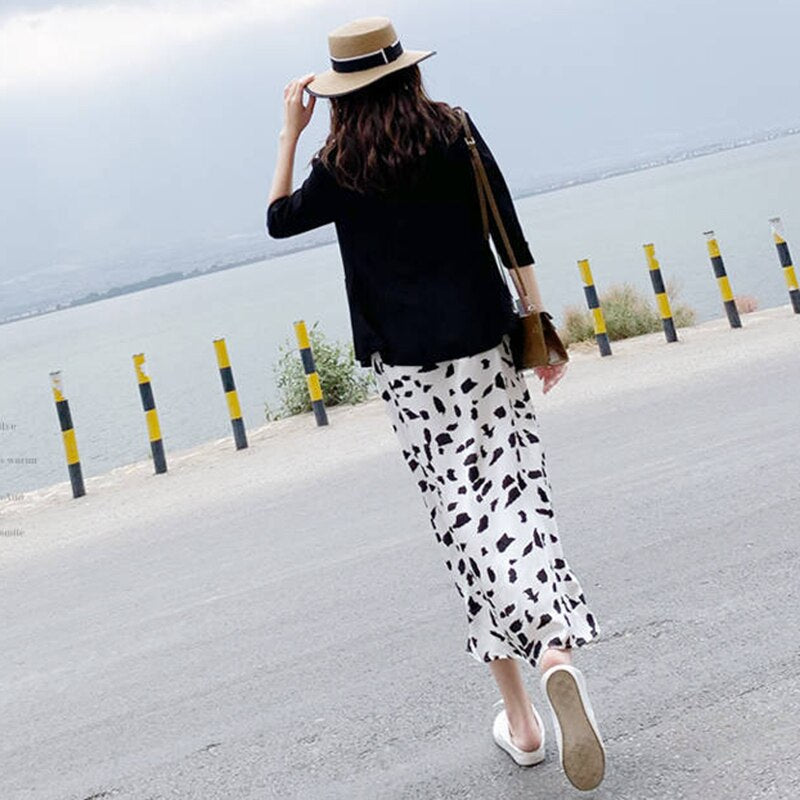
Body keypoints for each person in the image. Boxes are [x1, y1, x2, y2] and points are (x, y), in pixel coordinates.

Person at [266, 16, 605, 792]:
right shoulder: (453, 129)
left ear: (341, 93)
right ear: (408, 71)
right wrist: (538, 323)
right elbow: (507, 228)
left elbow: (279, 219)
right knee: (514, 496)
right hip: (486, 345)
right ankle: (553, 650)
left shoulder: (341, 161)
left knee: (462, 520)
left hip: (409, 370)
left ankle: (523, 720)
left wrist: (291, 132)